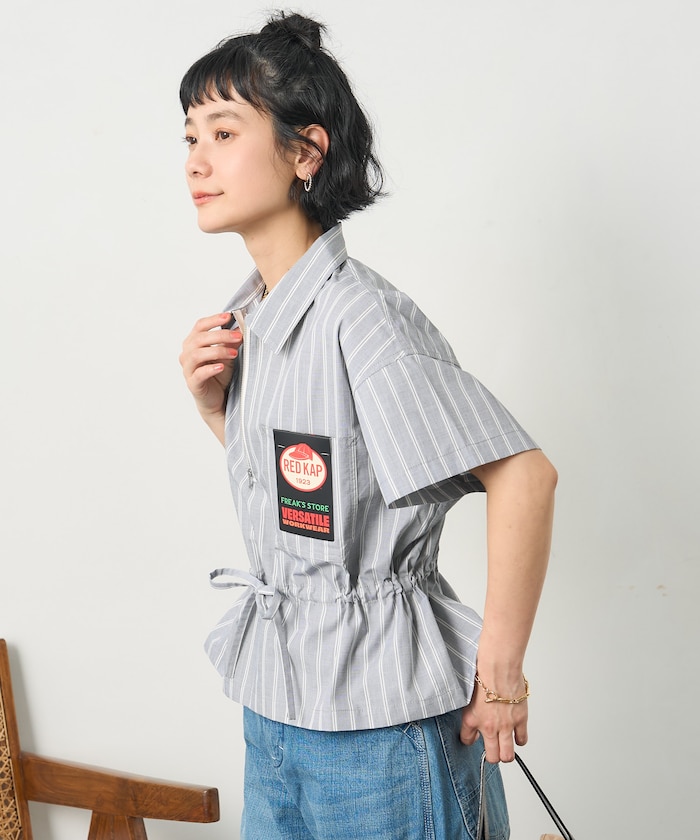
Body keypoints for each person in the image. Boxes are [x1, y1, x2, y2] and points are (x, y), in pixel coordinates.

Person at [179, 11, 557, 840]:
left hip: (383, 735)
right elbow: (325, 500)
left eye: (224, 132)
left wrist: (500, 680)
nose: (196, 161)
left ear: (306, 152)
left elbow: (524, 474)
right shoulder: (255, 321)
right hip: (277, 712)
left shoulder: (362, 320)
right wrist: (218, 411)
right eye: (190, 136)